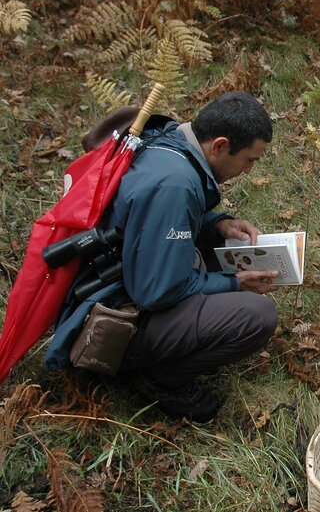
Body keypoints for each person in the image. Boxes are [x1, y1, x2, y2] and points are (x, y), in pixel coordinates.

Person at [45, 92, 280, 422]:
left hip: (119, 278)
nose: (249, 169)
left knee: (223, 248)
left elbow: (152, 225)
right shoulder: (174, 185)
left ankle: (172, 351)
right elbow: (156, 292)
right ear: (220, 145)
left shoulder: (169, 141)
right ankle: (159, 380)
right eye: (249, 159)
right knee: (256, 316)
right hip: (113, 318)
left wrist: (219, 224)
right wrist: (234, 283)